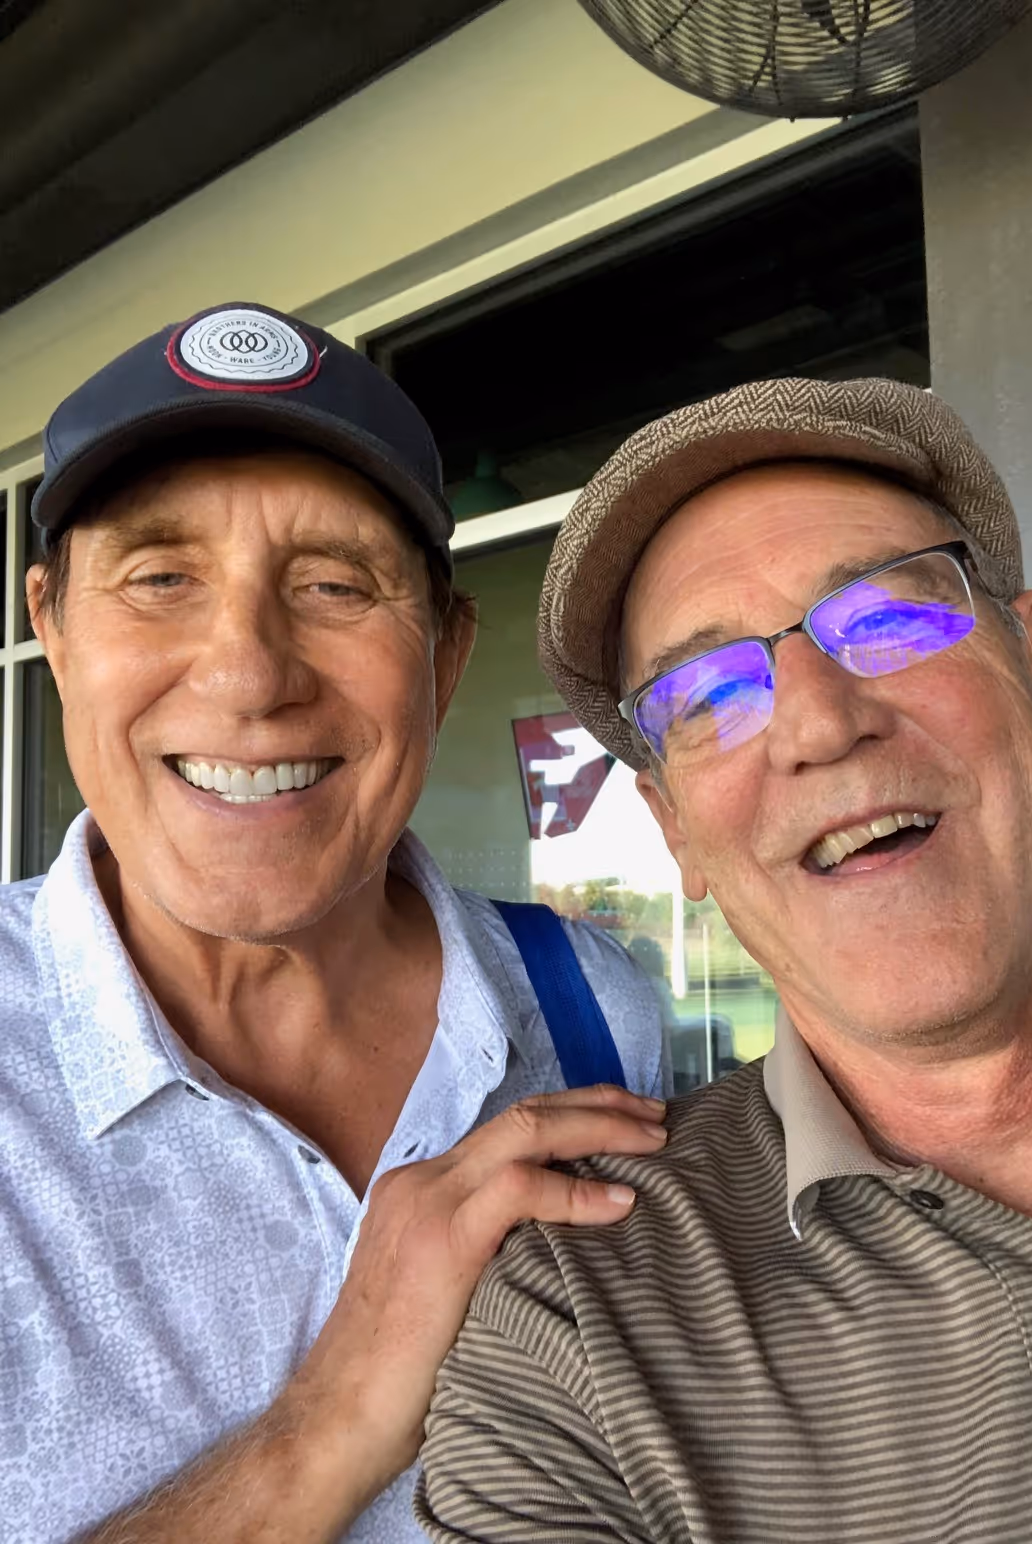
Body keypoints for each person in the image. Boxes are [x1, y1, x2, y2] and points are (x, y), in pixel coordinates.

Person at [417, 376, 1032, 1543]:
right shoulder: (582, 1323)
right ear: (676, 834)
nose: (817, 722)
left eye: (887, 616)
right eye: (709, 691)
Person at [0, 301, 669, 1544]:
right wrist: (335, 1413)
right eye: (159, 578)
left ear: (445, 654)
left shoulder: (589, 1003)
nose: (249, 673)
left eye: (333, 584)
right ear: (53, 625)